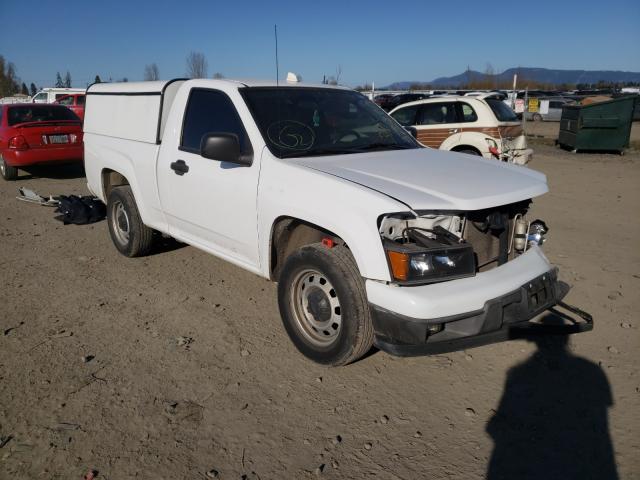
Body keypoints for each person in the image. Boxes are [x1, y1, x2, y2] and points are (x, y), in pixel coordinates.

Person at [487, 316, 618, 480]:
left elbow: (497, 425)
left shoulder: (519, 373)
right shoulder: (592, 371)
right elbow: (601, 419)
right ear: (566, 339)